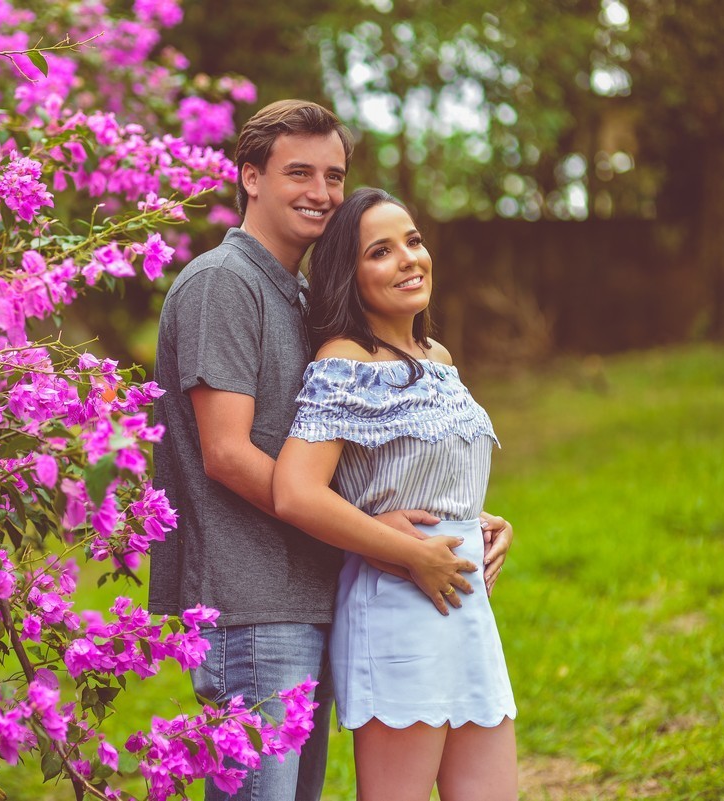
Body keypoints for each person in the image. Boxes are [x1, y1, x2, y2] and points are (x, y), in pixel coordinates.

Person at [149, 100, 513, 801]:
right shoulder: (223, 282)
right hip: (252, 601)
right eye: (299, 173)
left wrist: (453, 517)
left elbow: (349, 450)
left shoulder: (298, 295)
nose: (321, 191)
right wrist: (378, 535)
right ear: (250, 177)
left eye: (334, 175)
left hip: (308, 590)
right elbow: (227, 453)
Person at [273, 187, 518, 801]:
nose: (409, 258)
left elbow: (424, 471)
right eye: (380, 251)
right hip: (398, 605)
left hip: (466, 605)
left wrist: (479, 522)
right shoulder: (346, 362)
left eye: (412, 241)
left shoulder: (438, 357)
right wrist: (412, 552)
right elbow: (296, 492)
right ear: (349, 278)